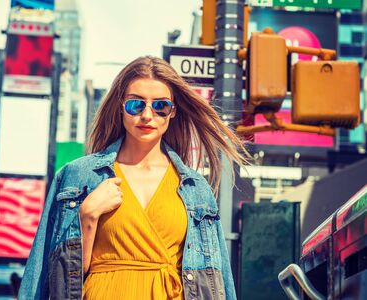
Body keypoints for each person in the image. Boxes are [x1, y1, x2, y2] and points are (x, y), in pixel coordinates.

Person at [19, 56, 247, 299]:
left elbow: (218, 279)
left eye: (160, 106)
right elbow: (45, 278)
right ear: (121, 107)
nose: (147, 115)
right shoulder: (77, 176)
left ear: (173, 112)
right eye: (136, 105)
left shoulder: (194, 188)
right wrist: (87, 216)